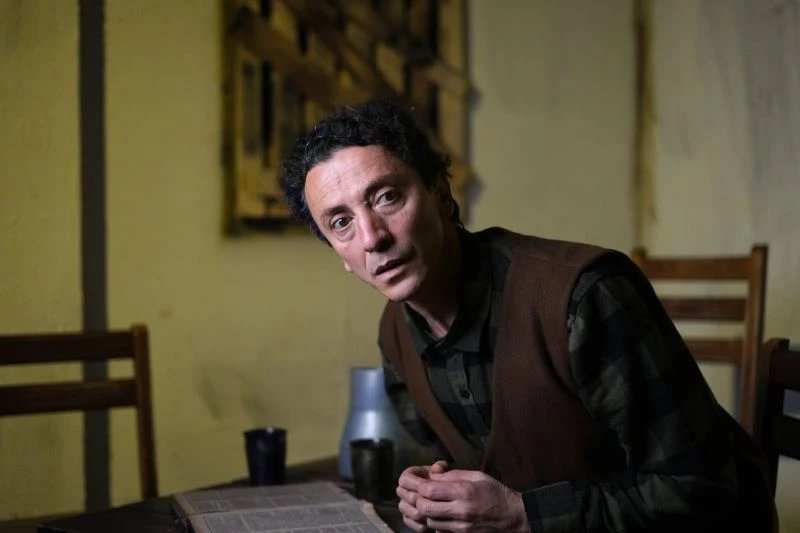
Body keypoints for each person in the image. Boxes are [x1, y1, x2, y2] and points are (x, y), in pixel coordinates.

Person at [279, 100, 776, 532]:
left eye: (387, 196)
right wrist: (436, 493)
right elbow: (475, 466)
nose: (372, 238)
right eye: (341, 223)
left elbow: (702, 490)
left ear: (440, 193)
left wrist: (522, 515)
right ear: (341, 257)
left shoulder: (585, 298)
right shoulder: (396, 335)